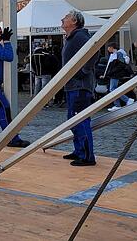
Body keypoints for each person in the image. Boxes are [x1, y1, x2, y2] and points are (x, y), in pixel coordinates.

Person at [60, 9, 98, 166]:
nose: (62, 19)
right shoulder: (71, 38)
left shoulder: (80, 36)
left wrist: (83, 71)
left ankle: (87, 156)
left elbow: (94, 53)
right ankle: (79, 150)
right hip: (72, 85)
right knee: (73, 119)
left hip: (80, 86)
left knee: (80, 119)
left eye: (66, 17)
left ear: (74, 22)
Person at [104, 42, 134, 112]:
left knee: (113, 90)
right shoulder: (115, 54)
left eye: (108, 47)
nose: (107, 49)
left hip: (116, 74)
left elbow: (121, 65)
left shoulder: (118, 54)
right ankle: (118, 105)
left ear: (112, 47)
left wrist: (111, 71)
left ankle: (126, 100)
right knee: (113, 89)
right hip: (115, 74)